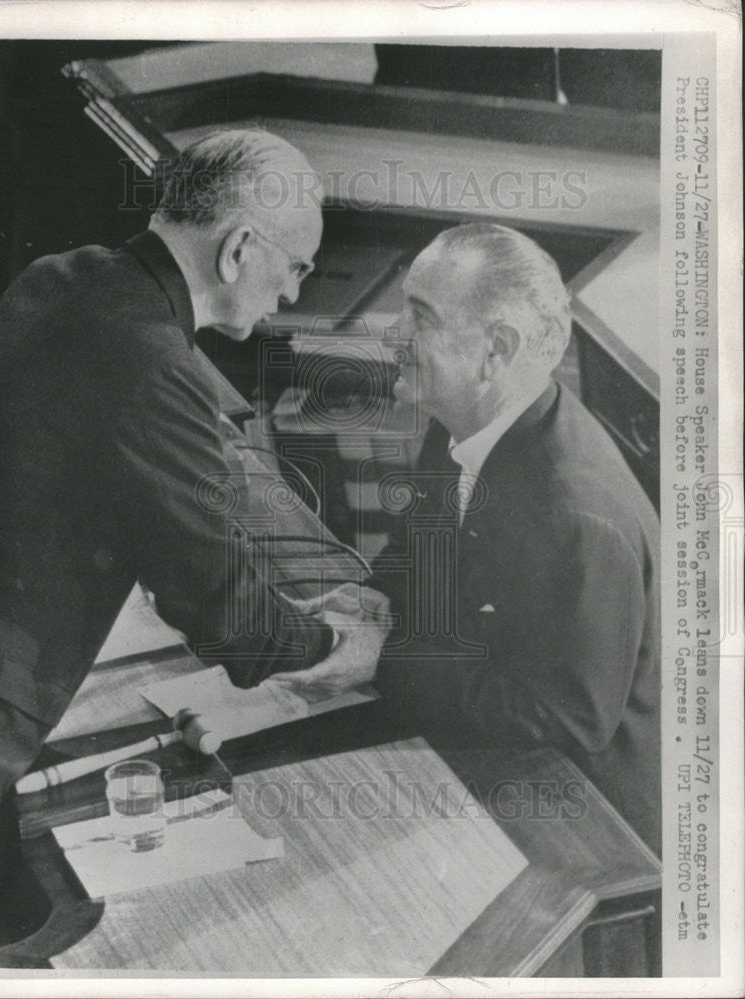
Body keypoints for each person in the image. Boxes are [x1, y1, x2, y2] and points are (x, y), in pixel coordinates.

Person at [0, 128, 385, 955]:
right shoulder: (155, 365)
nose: (293, 295)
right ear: (237, 251)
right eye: (295, 267)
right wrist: (341, 639)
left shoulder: (65, 275)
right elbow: (233, 626)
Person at [277, 222, 661, 853]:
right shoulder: (466, 419)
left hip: (589, 818)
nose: (392, 333)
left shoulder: (577, 517)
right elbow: (422, 546)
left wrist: (384, 656)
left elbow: (562, 719)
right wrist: (372, 599)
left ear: (496, 351)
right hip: (494, 739)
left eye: (420, 318)